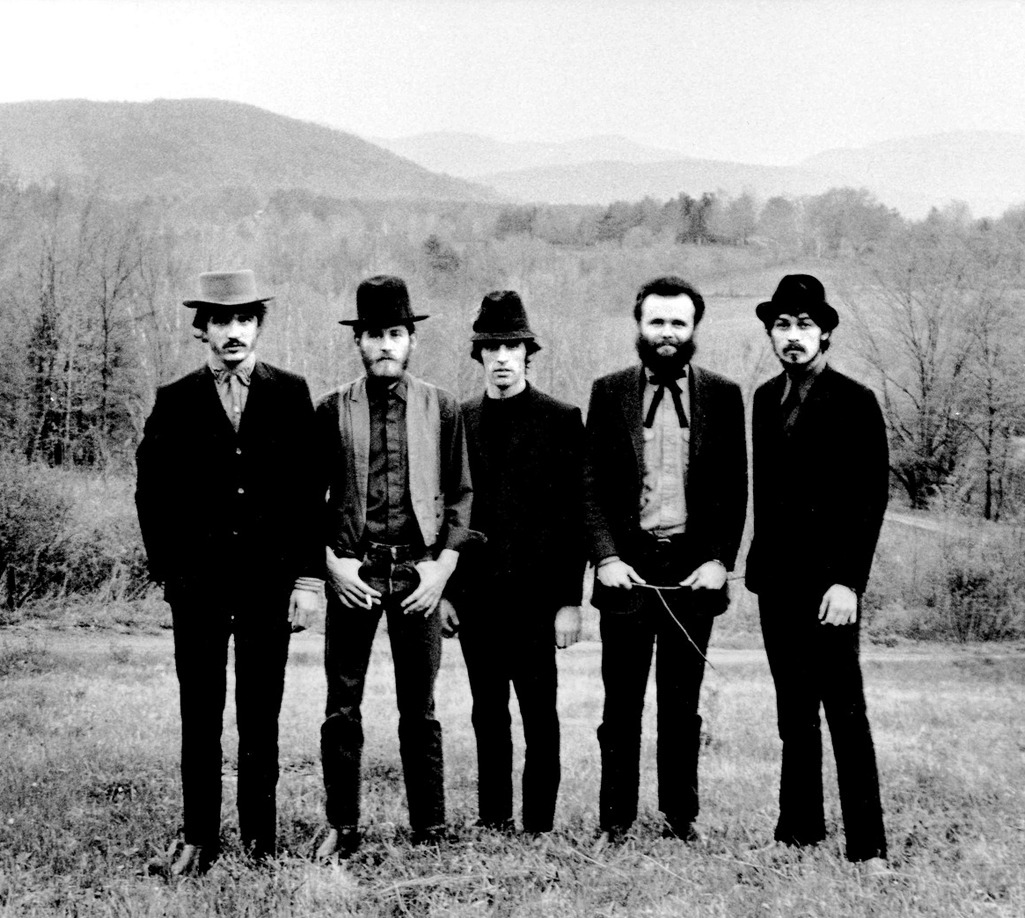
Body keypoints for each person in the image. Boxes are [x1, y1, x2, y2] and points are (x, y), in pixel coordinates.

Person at [135, 270, 324, 876]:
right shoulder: (176, 398)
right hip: (200, 587)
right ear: (203, 330)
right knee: (201, 711)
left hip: (270, 585)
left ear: (259, 326)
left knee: (260, 711)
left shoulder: (290, 392)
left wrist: (306, 578)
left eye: (246, 319)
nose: (234, 331)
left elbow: (308, 493)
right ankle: (198, 837)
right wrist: (173, 574)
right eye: (222, 320)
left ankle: (260, 839)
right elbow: (151, 494)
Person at [583, 276, 747, 842]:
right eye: (657, 321)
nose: (668, 333)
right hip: (627, 574)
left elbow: (734, 489)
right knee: (620, 705)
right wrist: (604, 557)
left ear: (694, 328)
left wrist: (719, 560)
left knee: (682, 705)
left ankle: (681, 816)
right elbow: (591, 487)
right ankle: (615, 821)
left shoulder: (724, 395)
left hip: (691, 575)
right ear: (639, 325)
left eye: (679, 323)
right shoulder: (609, 392)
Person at [315, 275, 474, 859]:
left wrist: (442, 568)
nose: (385, 344)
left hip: (418, 575)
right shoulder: (331, 408)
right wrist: (333, 565)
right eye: (374, 334)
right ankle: (343, 827)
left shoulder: (441, 406)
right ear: (357, 341)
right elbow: (308, 499)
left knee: (420, 706)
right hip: (354, 573)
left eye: (396, 334)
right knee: (342, 703)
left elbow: (461, 495)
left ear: (411, 340)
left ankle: (429, 826)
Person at [746, 274, 889, 868]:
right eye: (782, 324)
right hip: (777, 583)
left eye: (805, 325)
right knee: (793, 712)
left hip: (830, 586)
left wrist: (847, 581)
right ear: (771, 333)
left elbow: (870, 497)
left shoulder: (855, 400)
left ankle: (868, 845)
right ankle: (799, 828)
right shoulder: (761, 399)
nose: (793, 336)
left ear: (826, 333)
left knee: (844, 713)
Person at [447, 290, 585, 835]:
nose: (502, 356)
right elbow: (445, 512)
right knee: (488, 713)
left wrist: (569, 602)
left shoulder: (560, 418)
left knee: (539, 714)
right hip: (476, 598)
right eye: (491, 347)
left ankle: (539, 824)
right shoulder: (458, 419)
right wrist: (450, 595)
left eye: (512, 345)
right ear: (478, 355)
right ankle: (494, 817)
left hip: (537, 599)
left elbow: (574, 520)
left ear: (528, 352)